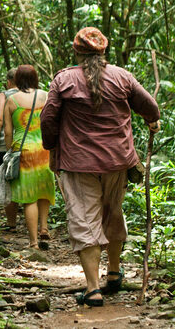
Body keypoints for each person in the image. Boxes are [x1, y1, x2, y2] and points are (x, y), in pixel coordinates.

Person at [40, 27, 160, 307]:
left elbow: (48, 119)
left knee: (84, 220)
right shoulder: (122, 76)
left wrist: (50, 146)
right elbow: (150, 107)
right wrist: (152, 121)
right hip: (117, 161)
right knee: (112, 212)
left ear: (77, 51)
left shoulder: (64, 79)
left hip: (77, 163)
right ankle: (114, 273)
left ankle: (93, 289)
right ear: (104, 50)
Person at [3, 64, 56, 249]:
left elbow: (8, 132)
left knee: (29, 197)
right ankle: (44, 228)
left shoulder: (11, 100)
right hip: (44, 149)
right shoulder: (46, 96)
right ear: (35, 79)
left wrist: (10, 150)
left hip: (23, 150)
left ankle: (33, 242)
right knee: (43, 190)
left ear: (16, 80)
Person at [0, 68, 19, 230]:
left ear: (8, 82)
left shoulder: (4, 95)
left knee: (9, 181)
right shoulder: (34, 95)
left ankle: (11, 222)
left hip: (6, 145)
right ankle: (37, 225)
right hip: (29, 144)